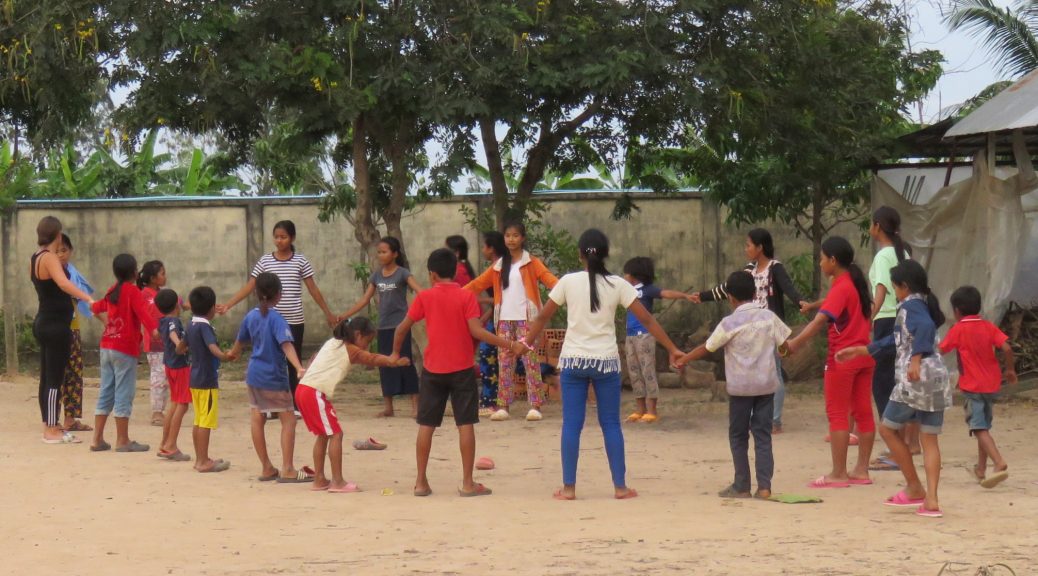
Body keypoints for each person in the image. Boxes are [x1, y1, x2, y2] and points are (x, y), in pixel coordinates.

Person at [525, 229, 684, 501]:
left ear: (580, 253)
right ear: (606, 254)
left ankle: (569, 489)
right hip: (606, 363)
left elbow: (541, 318)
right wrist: (672, 348)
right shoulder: (619, 285)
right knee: (611, 424)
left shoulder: (567, 282)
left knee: (571, 425)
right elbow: (647, 320)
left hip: (574, 361)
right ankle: (620, 487)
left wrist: (524, 344)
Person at [391, 248, 530, 498]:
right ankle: (467, 483)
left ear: (432, 274)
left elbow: (401, 329)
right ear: (455, 272)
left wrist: (393, 354)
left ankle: (421, 482)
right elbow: (477, 332)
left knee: (426, 425)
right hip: (462, 369)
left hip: (433, 369)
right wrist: (510, 344)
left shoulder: (424, 297)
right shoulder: (466, 297)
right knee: (465, 424)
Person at [836, 260, 950, 517]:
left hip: (916, 379)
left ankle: (913, 487)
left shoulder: (910, 307)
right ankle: (931, 499)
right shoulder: (923, 304)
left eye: (894, 287)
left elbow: (925, 329)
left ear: (904, 287)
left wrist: (917, 358)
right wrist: (864, 349)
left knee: (887, 428)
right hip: (937, 378)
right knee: (929, 440)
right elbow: (897, 339)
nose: (893, 292)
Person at [675, 271, 791, 499]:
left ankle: (742, 485)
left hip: (741, 388)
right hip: (766, 386)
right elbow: (785, 346)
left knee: (738, 435)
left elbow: (708, 347)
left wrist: (684, 359)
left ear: (730, 297)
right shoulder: (769, 317)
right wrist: (782, 352)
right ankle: (765, 487)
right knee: (763, 435)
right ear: (754, 292)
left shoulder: (729, 323)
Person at [693, 228, 807, 433]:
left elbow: (789, 289)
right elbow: (728, 288)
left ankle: (775, 420)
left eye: (748, 245)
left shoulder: (775, 268)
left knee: (775, 373)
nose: (745, 249)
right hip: (748, 327)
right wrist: (702, 296)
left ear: (760, 247)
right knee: (758, 372)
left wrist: (801, 303)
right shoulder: (749, 270)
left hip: (768, 327)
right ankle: (761, 415)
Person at [785, 236, 875, 488]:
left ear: (833, 261)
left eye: (822, 259)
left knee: (837, 413)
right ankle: (861, 470)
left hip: (842, 357)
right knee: (863, 411)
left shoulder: (842, 287)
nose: (820, 263)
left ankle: (838, 473)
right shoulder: (857, 285)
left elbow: (818, 322)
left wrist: (794, 344)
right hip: (864, 355)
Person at [219, 220, 337, 409]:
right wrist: (228, 305)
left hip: (294, 320)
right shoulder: (266, 260)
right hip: (270, 320)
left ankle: (296, 404)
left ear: (292, 238)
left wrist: (328, 313)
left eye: (283, 237)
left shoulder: (300, 261)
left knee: (293, 362)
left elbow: (313, 289)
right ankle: (272, 403)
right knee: (272, 360)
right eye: (276, 237)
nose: (279, 241)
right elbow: (250, 285)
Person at [297, 317, 411, 493]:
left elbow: (313, 359)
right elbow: (372, 359)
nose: (366, 346)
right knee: (336, 434)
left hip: (303, 390)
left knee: (323, 435)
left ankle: (319, 479)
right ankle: (337, 482)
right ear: (358, 335)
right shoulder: (350, 350)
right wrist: (392, 361)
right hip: (314, 392)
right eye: (367, 341)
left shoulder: (332, 343)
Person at [465, 221, 559, 422]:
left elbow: (552, 281)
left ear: (522, 238)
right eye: (508, 236)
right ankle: (503, 406)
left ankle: (535, 405)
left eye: (515, 235)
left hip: (528, 319)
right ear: (504, 239)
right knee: (504, 363)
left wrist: (566, 292)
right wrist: (454, 294)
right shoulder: (498, 266)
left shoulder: (532, 263)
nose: (511, 239)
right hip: (504, 320)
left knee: (530, 362)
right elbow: (477, 284)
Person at [228, 273, 311, 483]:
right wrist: (299, 367)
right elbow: (286, 345)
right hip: (273, 376)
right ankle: (288, 469)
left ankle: (266, 467)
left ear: (256, 293)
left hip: (254, 374)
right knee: (289, 420)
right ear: (279, 295)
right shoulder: (277, 319)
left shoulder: (251, 316)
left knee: (257, 418)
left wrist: (232, 354)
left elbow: (240, 342)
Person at [938, 285, 1017, 489]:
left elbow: (941, 350)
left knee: (979, 427)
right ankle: (981, 468)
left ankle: (998, 462)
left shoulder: (958, 329)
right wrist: (1010, 370)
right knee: (984, 427)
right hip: (991, 385)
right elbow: (1007, 348)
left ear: (956, 311)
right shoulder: (988, 326)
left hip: (972, 387)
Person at [338, 236, 423, 418]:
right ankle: (388, 407)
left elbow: (420, 291)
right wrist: (345, 315)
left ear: (394, 254)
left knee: (405, 363)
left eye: (384, 252)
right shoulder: (376, 275)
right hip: (383, 327)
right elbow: (365, 299)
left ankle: (415, 407)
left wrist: (431, 304)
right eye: (379, 252)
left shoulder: (403, 273)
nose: (380, 255)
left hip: (401, 325)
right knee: (384, 364)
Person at [30, 217, 94, 444]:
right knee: (54, 379)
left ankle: (52, 425)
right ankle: (51, 429)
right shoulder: (48, 258)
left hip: (46, 322)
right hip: (54, 325)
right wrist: (87, 297)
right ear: (56, 235)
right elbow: (64, 284)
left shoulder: (36, 257)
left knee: (48, 377)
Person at [90, 254, 160, 453]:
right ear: (134, 272)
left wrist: (103, 318)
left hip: (107, 345)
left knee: (106, 390)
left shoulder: (112, 290)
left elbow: (96, 308)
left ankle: (97, 438)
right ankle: (122, 440)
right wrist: (155, 330)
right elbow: (143, 313)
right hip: (124, 348)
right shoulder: (132, 291)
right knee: (124, 392)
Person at [868, 206, 919, 468]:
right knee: (898, 381)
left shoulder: (882, 256)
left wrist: (869, 316)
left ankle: (894, 449)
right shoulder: (903, 252)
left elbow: (880, 291)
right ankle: (908, 443)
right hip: (904, 317)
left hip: (886, 319)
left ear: (877, 226)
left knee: (883, 384)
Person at [621, 256, 694, 423]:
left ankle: (652, 409)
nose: (624, 276)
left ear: (634, 275)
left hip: (645, 335)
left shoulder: (647, 290)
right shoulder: (626, 291)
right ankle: (640, 408)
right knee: (634, 372)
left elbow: (666, 293)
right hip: (630, 336)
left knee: (647, 371)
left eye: (626, 273)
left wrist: (684, 296)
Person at [187, 286, 238, 473]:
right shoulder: (205, 326)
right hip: (207, 380)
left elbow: (182, 346)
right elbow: (212, 348)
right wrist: (226, 355)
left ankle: (201, 458)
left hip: (194, 378)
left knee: (198, 420)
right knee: (205, 422)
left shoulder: (191, 324)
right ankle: (203, 461)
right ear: (211, 308)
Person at [56, 233, 94, 433]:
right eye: (57, 251)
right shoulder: (51, 275)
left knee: (75, 374)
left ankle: (70, 419)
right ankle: (53, 422)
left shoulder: (73, 274)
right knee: (56, 375)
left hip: (74, 328)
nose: (61, 255)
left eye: (64, 250)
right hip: (57, 329)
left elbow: (84, 299)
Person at [155, 289, 192, 462]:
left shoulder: (162, 320)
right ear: (177, 305)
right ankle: (171, 445)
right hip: (180, 366)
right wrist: (179, 344)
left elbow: (160, 332)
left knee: (175, 403)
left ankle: (165, 443)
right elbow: (172, 332)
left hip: (169, 365)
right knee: (183, 405)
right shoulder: (173, 321)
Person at [138, 260, 170, 427]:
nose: (165, 276)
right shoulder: (145, 295)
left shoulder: (163, 294)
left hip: (167, 343)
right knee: (158, 377)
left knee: (165, 376)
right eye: (162, 273)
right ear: (152, 278)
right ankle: (157, 412)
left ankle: (162, 409)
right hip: (155, 343)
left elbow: (180, 304)